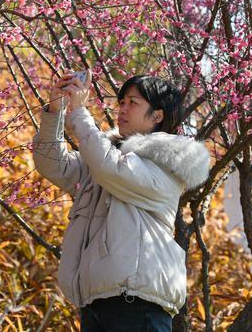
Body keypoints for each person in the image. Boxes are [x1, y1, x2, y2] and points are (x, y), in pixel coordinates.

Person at [32, 71, 210, 331]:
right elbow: (53, 165)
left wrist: (80, 114)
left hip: (138, 303)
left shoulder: (167, 163)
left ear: (157, 116)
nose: (123, 109)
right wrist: (56, 110)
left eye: (133, 103)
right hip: (98, 302)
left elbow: (110, 168)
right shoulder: (105, 153)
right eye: (122, 102)